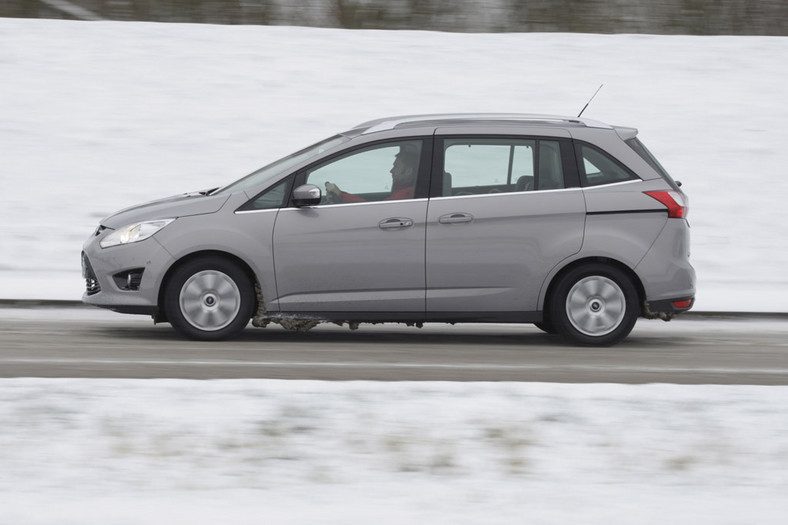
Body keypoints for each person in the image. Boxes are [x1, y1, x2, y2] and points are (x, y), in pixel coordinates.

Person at [324, 145, 418, 203]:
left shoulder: (407, 193)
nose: (391, 171)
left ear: (408, 171)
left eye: (396, 167)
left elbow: (377, 210)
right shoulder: (402, 189)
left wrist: (340, 195)